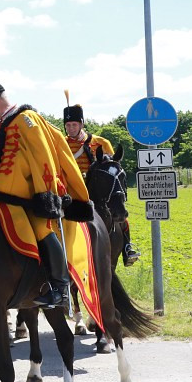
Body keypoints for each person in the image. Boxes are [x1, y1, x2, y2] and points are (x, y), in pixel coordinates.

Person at [0, 72, 91, 309]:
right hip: (1, 197)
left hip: (29, 199)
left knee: (42, 229)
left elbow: (44, 160)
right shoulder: (2, 125)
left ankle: (60, 286)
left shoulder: (27, 119)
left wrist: (46, 197)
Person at [62, 96, 140, 267]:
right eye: (67, 125)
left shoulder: (100, 142)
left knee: (118, 212)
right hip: (72, 190)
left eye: (74, 124)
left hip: (97, 188)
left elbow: (111, 165)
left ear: (81, 124)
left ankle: (127, 247)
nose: (71, 128)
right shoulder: (61, 144)